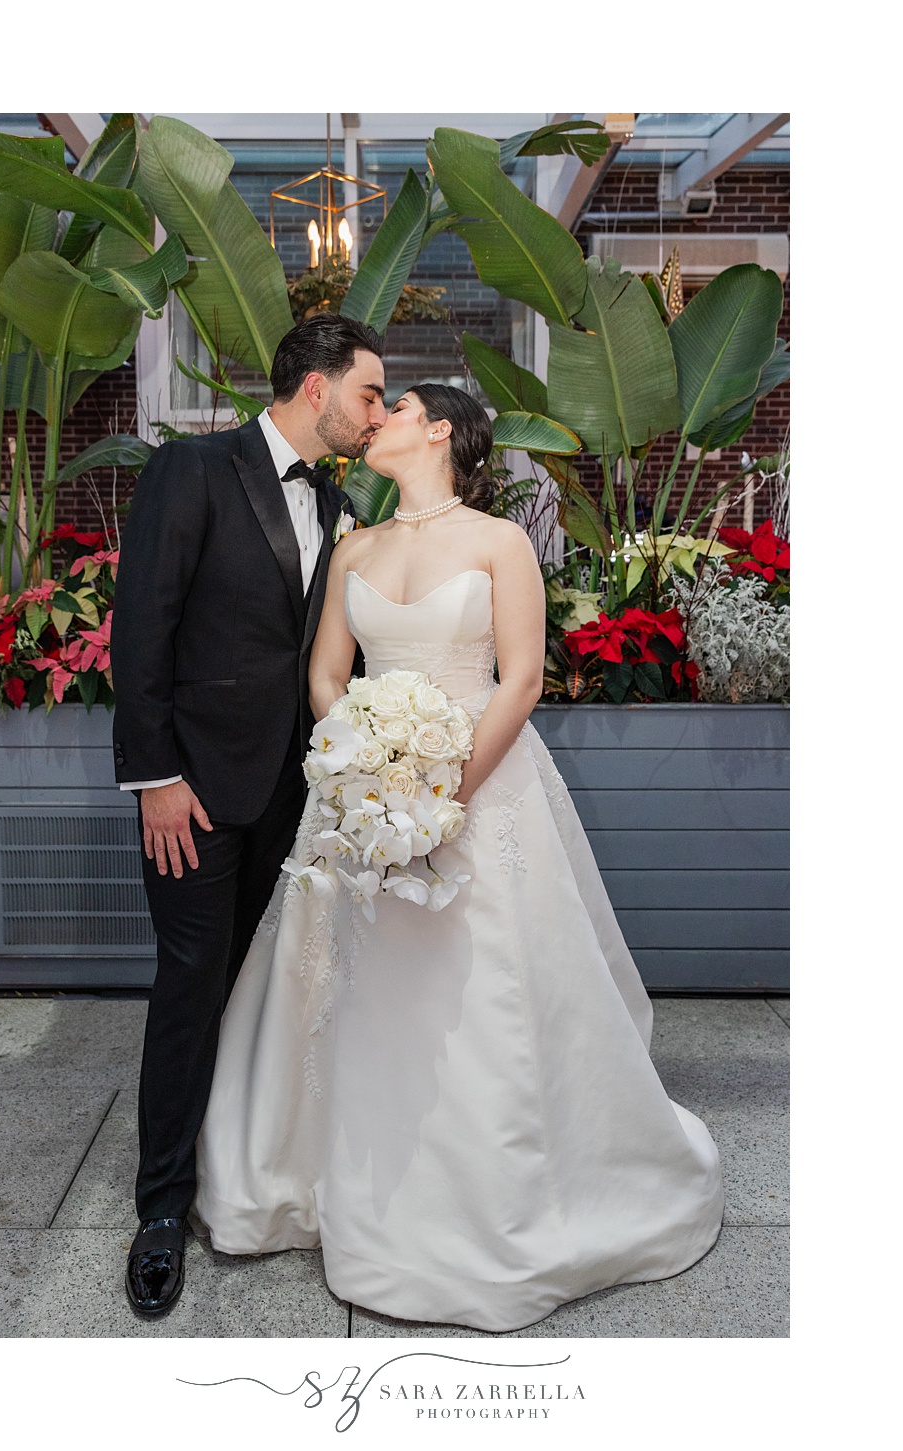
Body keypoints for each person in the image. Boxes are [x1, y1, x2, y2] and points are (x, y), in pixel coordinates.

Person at [193, 384, 724, 1333]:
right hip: (362, 799)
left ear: (439, 429)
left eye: (393, 404)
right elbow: (326, 671)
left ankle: (498, 1197)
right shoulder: (355, 544)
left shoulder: (496, 541)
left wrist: (440, 792)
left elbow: (520, 675)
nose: (375, 417)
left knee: (486, 994)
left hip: (483, 783)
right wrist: (365, 764)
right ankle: (327, 1178)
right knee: (344, 988)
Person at [110, 314, 387, 1317]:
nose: (377, 410)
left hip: (295, 793)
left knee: (260, 981)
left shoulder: (342, 499)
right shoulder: (193, 470)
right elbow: (141, 625)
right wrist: (155, 776)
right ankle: (158, 1208)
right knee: (190, 983)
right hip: (193, 790)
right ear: (314, 388)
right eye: (368, 391)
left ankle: (239, 1163)